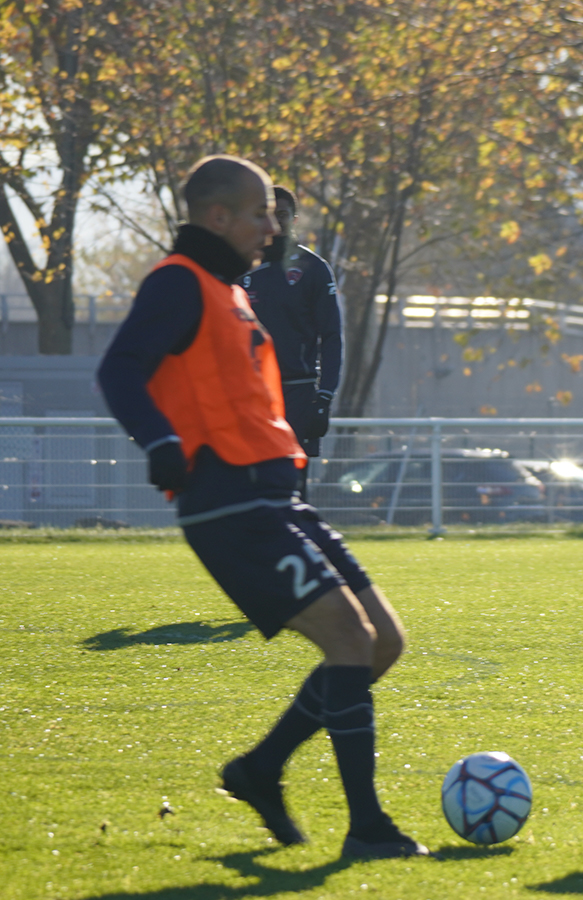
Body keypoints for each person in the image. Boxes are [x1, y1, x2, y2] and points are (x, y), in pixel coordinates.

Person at [96, 155, 428, 859]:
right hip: (229, 505)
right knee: (347, 638)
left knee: (384, 641)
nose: (271, 226)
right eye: (259, 213)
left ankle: (261, 768)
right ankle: (367, 829)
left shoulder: (231, 289)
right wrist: (159, 441)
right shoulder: (178, 285)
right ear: (217, 217)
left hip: (277, 500)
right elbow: (118, 367)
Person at [242, 185, 342, 501]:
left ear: (293, 219)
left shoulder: (313, 268)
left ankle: (300, 549)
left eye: (282, 214)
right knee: (250, 485)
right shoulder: (240, 268)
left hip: (297, 392)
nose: (275, 221)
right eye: (268, 214)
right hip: (250, 394)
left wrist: (324, 397)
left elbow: (331, 336)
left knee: (293, 488)